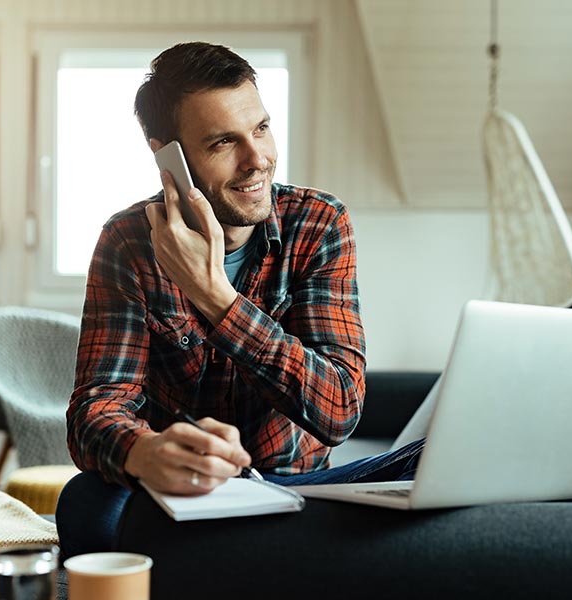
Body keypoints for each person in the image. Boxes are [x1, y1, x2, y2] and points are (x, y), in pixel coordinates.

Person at [56, 41, 425, 558]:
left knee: (428, 460)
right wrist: (145, 451)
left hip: (297, 489)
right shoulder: (128, 243)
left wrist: (215, 297)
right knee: (84, 502)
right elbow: (95, 411)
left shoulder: (318, 224)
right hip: (182, 493)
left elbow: (339, 410)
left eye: (261, 128)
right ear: (169, 157)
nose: (258, 160)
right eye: (224, 142)